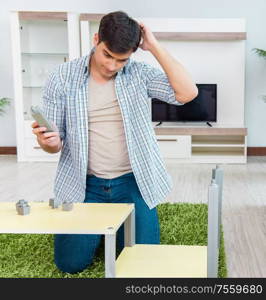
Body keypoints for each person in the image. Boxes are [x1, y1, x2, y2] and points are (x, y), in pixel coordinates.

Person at [32, 11, 198, 274]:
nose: (111, 66)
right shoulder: (62, 77)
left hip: (134, 181)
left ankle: (113, 228)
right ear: (96, 39)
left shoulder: (138, 73)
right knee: (70, 264)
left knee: (141, 262)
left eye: (121, 60)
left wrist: (153, 45)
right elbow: (54, 146)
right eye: (107, 55)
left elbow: (187, 93)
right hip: (84, 183)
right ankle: (98, 231)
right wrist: (48, 141)